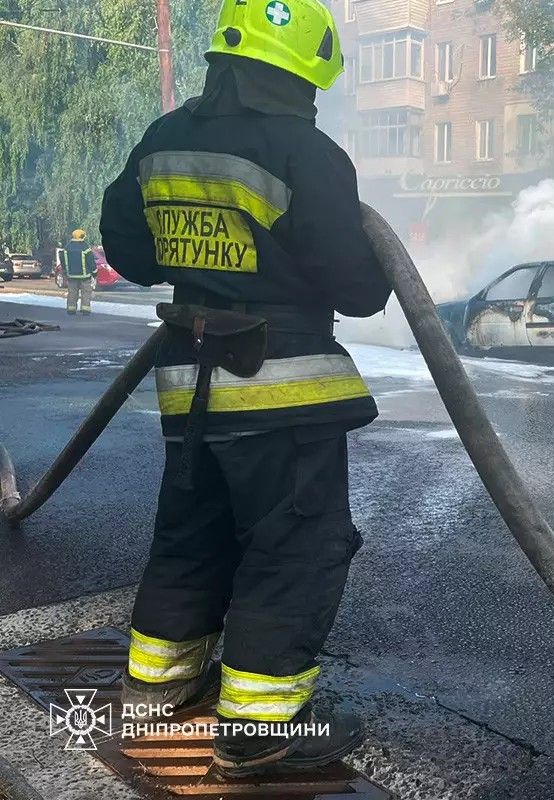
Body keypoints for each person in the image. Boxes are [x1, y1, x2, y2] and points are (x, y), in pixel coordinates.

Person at [99, 0, 391, 777]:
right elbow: (360, 289)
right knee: (293, 549)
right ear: (301, 73)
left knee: (190, 535)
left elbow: (127, 250)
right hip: (281, 391)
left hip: (186, 389)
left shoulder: (163, 139)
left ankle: (154, 693)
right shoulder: (307, 152)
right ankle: (259, 732)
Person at [59, 230, 97, 314]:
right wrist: (94, 273)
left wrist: (65, 271)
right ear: (82, 236)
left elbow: (62, 260)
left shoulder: (67, 247)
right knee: (86, 292)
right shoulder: (85, 247)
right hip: (85, 276)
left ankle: (71, 309)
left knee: (72, 292)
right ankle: (85, 309)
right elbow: (91, 261)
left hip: (71, 276)